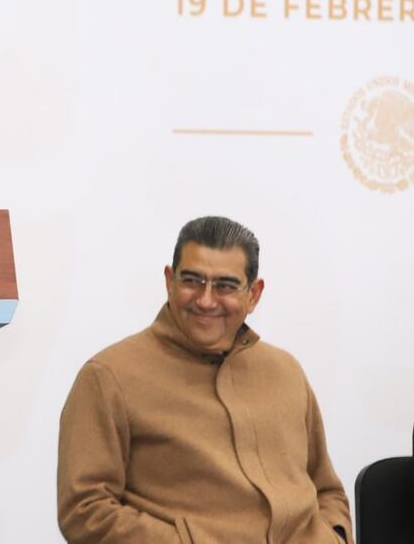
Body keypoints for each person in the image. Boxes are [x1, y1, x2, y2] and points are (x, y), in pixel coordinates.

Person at [57, 216, 352, 543]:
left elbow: (327, 490)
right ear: (170, 281)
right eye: (192, 281)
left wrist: (334, 536)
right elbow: (85, 510)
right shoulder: (108, 377)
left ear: (253, 294)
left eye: (225, 285)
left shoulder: (286, 370)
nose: (206, 300)